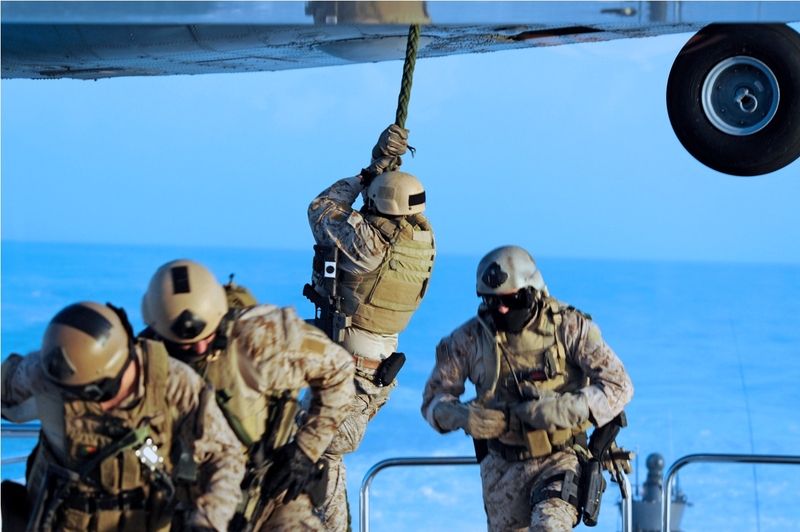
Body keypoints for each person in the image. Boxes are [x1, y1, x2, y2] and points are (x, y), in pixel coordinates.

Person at [421, 246, 634, 532]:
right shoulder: (467, 340)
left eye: (511, 299)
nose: (502, 309)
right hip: (501, 468)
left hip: (560, 457)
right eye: (492, 301)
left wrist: (565, 409)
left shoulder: (569, 328)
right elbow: (433, 401)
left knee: (550, 526)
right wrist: (461, 416)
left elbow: (619, 385)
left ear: (533, 292)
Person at [140, 259, 355, 532]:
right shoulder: (143, 366)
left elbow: (339, 368)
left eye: (207, 336)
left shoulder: (259, 339)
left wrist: (305, 450)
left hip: (268, 493)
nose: (200, 349)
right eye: (187, 345)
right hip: (191, 505)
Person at [0, 301, 245, 532]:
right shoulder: (45, 372)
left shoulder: (175, 383)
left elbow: (225, 455)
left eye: (91, 392)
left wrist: (208, 520)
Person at [305, 124, 435, 531]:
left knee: (315, 452)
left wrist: (367, 174)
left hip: (354, 375)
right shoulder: (421, 240)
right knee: (305, 450)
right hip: (373, 375)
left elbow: (321, 208)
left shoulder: (367, 244)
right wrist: (383, 175)